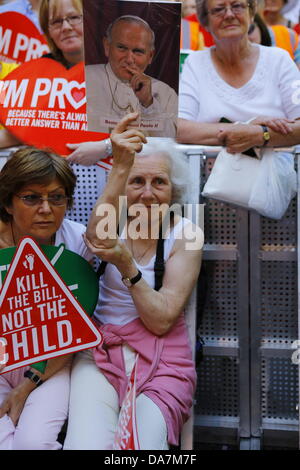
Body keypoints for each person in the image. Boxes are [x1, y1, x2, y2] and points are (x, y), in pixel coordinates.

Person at [63, 113, 203, 450]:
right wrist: (120, 165)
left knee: (141, 445)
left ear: (174, 190)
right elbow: (97, 240)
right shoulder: (111, 223)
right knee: (85, 444)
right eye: (137, 181)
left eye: (159, 182)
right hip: (100, 355)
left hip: (163, 359)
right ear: (123, 187)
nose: (148, 194)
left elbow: (161, 320)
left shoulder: (187, 234)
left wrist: (127, 264)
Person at [0, 146, 93, 449]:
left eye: (57, 197)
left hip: (51, 362)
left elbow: (77, 330)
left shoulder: (78, 241)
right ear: (8, 203)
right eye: (31, 198)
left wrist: (26, 387)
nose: (46, 208)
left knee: (32, 443)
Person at [177, 0, 300, 152]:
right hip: (212, 174)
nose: (229, 15)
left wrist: (260, 135)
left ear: (251, 14)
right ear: (205, 21)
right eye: (218, 9)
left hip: (275, 173)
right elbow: (179, 128)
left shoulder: (278, 59)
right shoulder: (195, 63)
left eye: (237, 6)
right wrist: (246, 128)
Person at [0, 0, 111, 165]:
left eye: (74, 17)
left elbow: (146, 130)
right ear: (48, 31)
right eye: (56, 21)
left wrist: (105, 147)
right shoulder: (34, 75)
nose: (66, 27)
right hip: (52, 176)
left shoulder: (119, 67)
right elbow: (20, 130)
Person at [85, 15, 178, 138]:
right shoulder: (84, 78)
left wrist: (148, 103)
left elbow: (170, 144)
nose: (129, 59)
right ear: (107, 46)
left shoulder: (165, 92)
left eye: (138, 51)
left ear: (150, 56)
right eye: (122, 48)